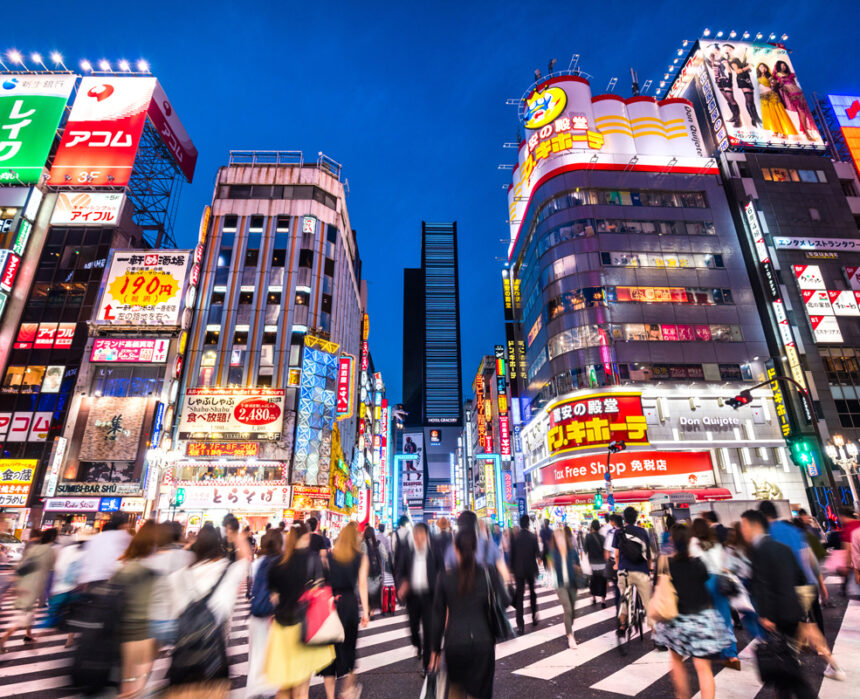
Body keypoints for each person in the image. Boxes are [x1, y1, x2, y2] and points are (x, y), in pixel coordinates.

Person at [159, 523, 251, 698]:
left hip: (182, 660)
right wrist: (236, 533)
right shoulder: (226, 571)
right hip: (214, 661)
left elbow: (166, 622)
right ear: (219, 546)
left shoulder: (177, 577)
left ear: (196, 547)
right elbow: (246, 559)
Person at [740, 510, 822, 695]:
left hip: (775, 616)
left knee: (788, 667)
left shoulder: (758, 551)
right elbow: (800, 578)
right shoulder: (782, 548)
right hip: (793, 611)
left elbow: (763, 584)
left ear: (756, 526)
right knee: (785, 663)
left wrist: (766, 615)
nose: (743, 530)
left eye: (744, 525)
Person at [654, 524, 733, 699]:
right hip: (701, 618)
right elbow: (704, 584)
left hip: (675, 620)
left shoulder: (665, 564)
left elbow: (658, 589)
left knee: (676, 661)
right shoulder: (697, 563)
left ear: (672, 541)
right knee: (704, 668)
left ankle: (682, 696)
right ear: (690, 541)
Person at [430, 527, 508, 699]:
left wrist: (434, 650)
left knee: (455, 691)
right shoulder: (488, 574)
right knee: (481, 693)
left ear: (456, 549)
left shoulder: (444, 577)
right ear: (475, 549)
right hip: (483, 641)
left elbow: (438, 616)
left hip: (455, 643)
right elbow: (506, 601)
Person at [319, 523, 369, 699]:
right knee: (349, 647)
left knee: (329, 651)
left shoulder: (330, 556)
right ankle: (348, 690)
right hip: (349, 604)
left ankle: (330, 696)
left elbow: (323, 580)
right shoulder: (361, 557)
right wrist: (366, 611)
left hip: (331, 604)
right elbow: (362, 585)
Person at [111, 520, 160, 698]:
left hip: (121, 629)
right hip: (146, 630)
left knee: (126, 680)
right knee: (138, 684)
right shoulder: (155, 566)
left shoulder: (122, 564)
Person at [690, 518, 739, 669]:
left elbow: (692, 564)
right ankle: (732, 655)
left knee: (703, 617)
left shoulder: (693, 542)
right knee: (725, 618)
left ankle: (707, 650)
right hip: (720, 580)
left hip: (703, 581)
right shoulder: (716, 542)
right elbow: (724, 563)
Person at [0, 528, 57, 651]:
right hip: (32, 587)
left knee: (29, 612)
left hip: (25, 584)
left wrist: (16, 583)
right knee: (22, 616)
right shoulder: (49, 551)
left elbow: (21, 565)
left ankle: (28, 635)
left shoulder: (34, 549)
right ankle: (3, 639)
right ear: (52, 538)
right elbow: (52, 568)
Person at [395, 522, 440, 674]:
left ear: (426, 536)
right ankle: (417, 645)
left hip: (429, 597)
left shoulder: (434, 552)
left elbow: (442, 572)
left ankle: (426, 664)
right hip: (413, 597)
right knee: (413, 628)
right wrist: (402, 584)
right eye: (416, 535)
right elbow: (400, 571)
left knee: (428, 631)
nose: (418, 538)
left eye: (421, 535)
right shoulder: (408, 551)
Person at [246, 529, 283, 699]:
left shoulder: (257, 563)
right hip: (274, 616)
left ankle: (254, 690)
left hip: (256, 614)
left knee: (256, 656)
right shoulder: (282, 563)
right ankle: (271, 690)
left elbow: (252, 586)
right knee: (274, 654)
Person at [613, 507, 653, 635]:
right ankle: (657, 638)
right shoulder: (643, 532)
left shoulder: (619, 533)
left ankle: (622, 626)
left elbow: (617, 554)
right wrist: (649, 567)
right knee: (648, 602)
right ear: (636, 518)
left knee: (625, 597)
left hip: (624, 571)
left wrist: (617, 566)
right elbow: (649, 553)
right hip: (641, 570)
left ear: (624, 518)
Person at [548, 527, 582, 648]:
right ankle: (570, 635)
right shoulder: (552, 553)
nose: (559, 540)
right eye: (557, 538)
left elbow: (579, 565)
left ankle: (569, 625)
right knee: (567, 609)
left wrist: (577, 568)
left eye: (561, 537)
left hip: (573, 583)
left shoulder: (572, 552)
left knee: (573, 611)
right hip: (560, 584)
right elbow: (549, 569)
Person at [78, 512, 132, 586]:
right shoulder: (123, 536)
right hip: (109, 579)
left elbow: (86, 560)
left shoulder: (96, 538)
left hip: (90, 580)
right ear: (122, 525)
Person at [772, 60, 818, 140]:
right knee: (802, 113)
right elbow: (775, 80)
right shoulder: (778, 76)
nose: (784, 67)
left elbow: (798, 76)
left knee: (807, 113)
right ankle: (807, 134)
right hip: (792, 96)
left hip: (800, 94)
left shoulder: (790, 75)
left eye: (784, 65)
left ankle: (813, 131)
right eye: (782, 66)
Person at [510, 514, 540, 635]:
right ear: (528, 524)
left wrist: (511, 572)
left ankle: (520, 626)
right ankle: (533, 616)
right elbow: (537, 554)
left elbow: (511, 557)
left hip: (519, 571)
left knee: (519, 598)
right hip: (530, 569)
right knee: (532, 592)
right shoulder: (533, 537)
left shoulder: (515, 539)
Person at [756, 63, 797, 138]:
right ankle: (776, 131)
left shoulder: (769, 76)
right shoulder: (756, 78)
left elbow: (773, 85)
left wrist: (767, 76)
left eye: (764, 67)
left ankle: (785, 132)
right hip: (763, 98)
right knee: (771, 115)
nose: (762, 68)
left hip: (772, 96)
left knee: (779, 114)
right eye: (761, 67)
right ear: (758, 68)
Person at [361, 525, 385, 618]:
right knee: (375, 592)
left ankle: (367, 609)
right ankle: (372, 612)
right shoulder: (378, 543)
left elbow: (361, 557)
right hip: (377, 572)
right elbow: (385, 556)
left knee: (367, 592)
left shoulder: (363, 544)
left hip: (366, 572)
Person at [584, 519, 607, 606]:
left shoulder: (588, 537)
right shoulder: (603, 537)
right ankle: (603, 601)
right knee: (602, 581)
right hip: (602, 563)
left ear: (592, 527)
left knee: (593, 581)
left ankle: (593, 598)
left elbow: (585, 550)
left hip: (593, 563)